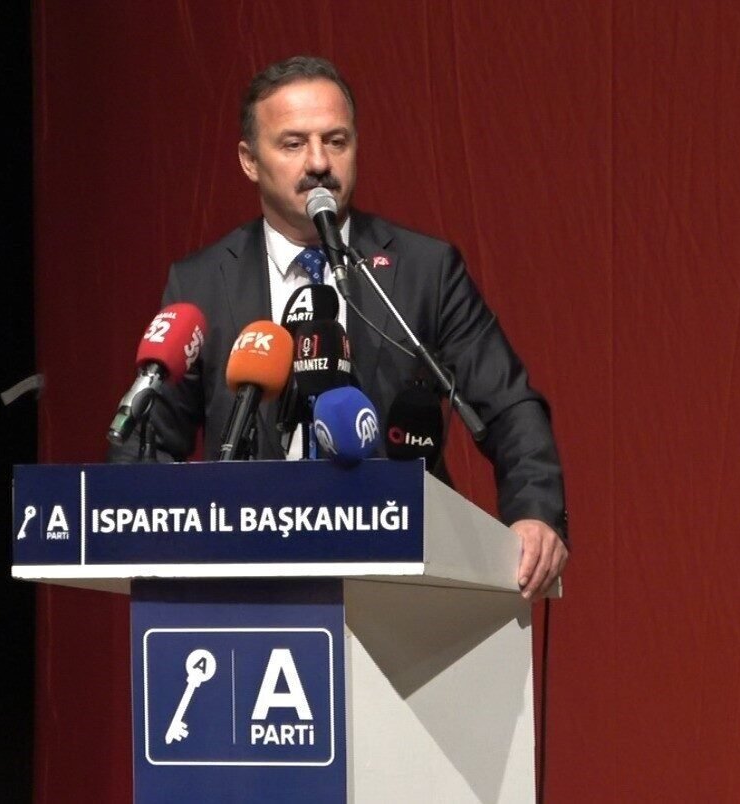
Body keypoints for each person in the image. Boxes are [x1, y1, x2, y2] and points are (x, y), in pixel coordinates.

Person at [110, 56, 568, 600]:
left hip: (403, 579)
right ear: (249, 161)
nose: (319, 162)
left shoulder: (424, 270)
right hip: (251, 583)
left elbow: (509, 405)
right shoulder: (203, 283)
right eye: (293, 144)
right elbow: (149, 441)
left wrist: (536, 512)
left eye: (336, 141)